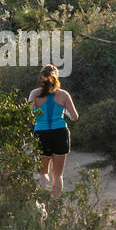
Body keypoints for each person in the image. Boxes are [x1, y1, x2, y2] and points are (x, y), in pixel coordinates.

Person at [28, 64, 78, 200]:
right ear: (56, 76)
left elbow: (28, 115)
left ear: (41, 77)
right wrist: (64, 112)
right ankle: (55, 207)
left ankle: (42, 203)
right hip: (60, 134)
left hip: (41, 134)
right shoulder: (63, 94)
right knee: (58, 175)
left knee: (43, 173)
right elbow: (75, 117)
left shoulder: (34, 94)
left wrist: (39, 115)